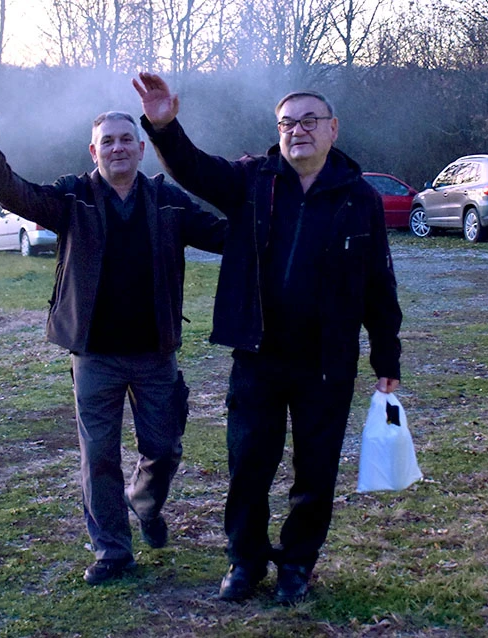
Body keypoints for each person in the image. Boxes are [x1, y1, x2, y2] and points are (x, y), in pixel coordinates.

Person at [133, 73, 402, 604]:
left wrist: (386, 356)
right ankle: (245, 562)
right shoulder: (252, 181)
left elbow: (379, 284)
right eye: (287, 123)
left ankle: (297, 564)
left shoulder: (360, 199)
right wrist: (164, 128)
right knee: (248, 466)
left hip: (327, 363)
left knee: (315, 469)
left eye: (308, 121)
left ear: (332, 129)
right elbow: (195, 170)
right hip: (257, 357)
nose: (297, 130)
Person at [0, 109, 226, 585]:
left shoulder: (166, 200)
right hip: (94, 354)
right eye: (108, 141)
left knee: (165, 447)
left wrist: (271, 221)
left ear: (141, 149)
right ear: (94, 151)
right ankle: (113, 551)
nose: (118, 147)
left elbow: (223, 235)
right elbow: (21, 195)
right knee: (98, 454)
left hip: (155, 354)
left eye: (127, 139)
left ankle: (144, 500)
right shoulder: (73, 197)